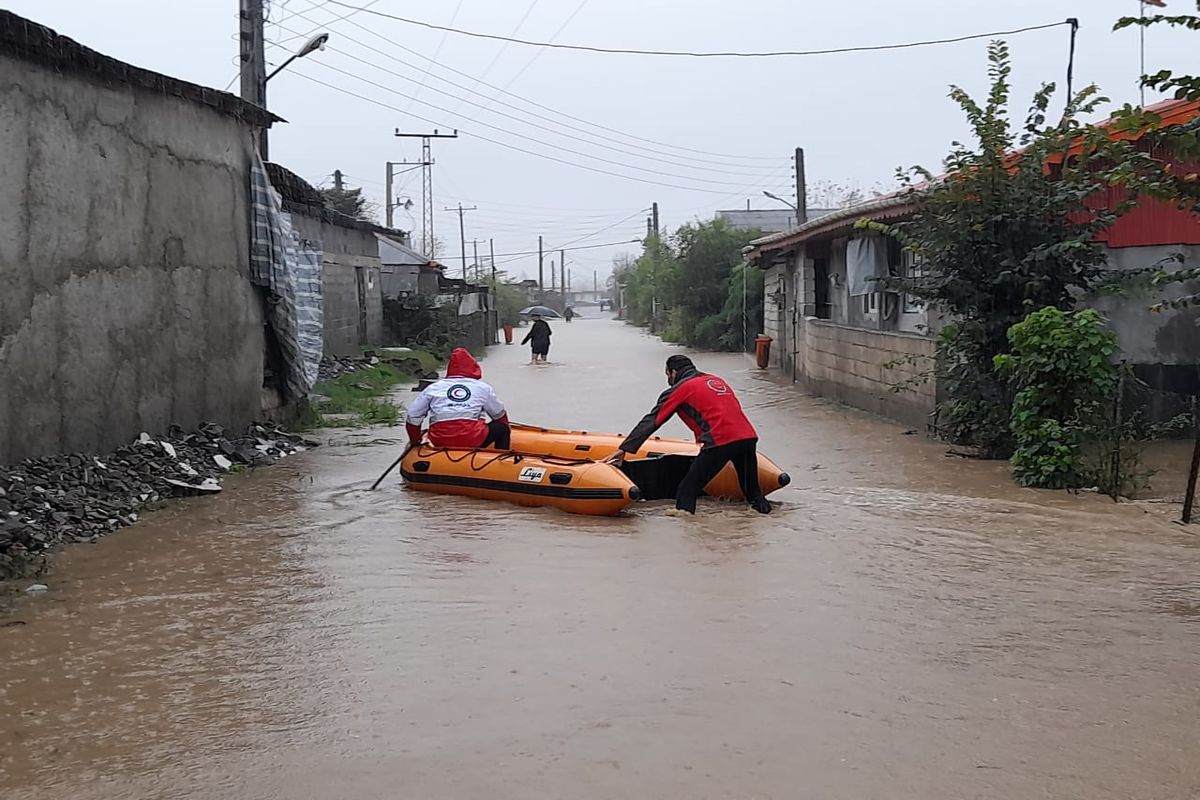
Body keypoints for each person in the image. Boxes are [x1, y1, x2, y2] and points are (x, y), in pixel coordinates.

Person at [603, 355, 772, 515]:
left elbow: (654, 420)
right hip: (748, 438)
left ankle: (687, 528)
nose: (668, 380)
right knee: (752, 491)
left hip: (720, 440)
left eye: (667, 375)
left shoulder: (681, 388)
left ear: (673, 372)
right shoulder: (715, 380)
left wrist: (624, 448)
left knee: (686, 489)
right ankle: (765, 518)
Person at [405, 348, 510, 450]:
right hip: (473, 438)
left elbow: (413, 415)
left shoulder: (434, 387)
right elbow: (499, 415)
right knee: (502, 428)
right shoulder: (482, 387)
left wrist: (415, 441)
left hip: (439, 439)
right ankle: (501, 461)